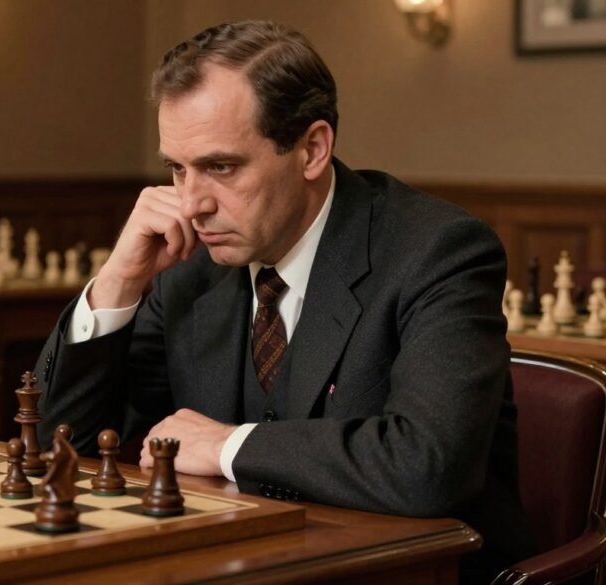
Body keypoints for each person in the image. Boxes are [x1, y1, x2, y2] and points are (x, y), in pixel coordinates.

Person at [34, 20, 535, 583]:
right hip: (244, 564)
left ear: (312, 149)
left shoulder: (437, 251)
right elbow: (61, 442)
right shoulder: (193, 270)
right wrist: (118, 281)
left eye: (221, 167)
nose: (192, 203)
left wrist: (229, 446)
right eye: (177, 168)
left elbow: (427, 466)